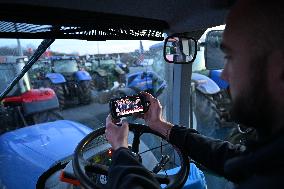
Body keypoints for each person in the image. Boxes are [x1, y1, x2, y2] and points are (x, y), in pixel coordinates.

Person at [105, 0, 284, 188]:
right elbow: (232, 157)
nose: (224, 74)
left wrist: (120, 149)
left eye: (230, 58)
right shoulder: (270, 160)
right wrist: (160, 125)